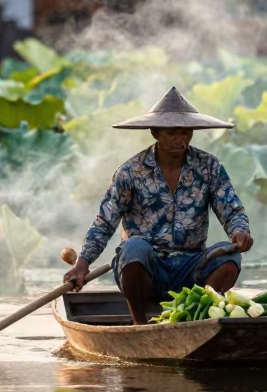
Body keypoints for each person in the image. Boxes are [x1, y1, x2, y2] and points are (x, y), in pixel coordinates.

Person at [65, 87, 253, 325]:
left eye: (185, 132)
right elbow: (104, 222)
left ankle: (198, 319)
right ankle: (139, 325)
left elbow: (232, 209)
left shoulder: (209, 167)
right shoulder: (131, 171)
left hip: (191, 267)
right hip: (147, 268)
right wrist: (82, 264)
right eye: (171, 132)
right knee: (134, 247)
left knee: (229, 255)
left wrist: (240, 232)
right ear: (154, 132)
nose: (179, 139)